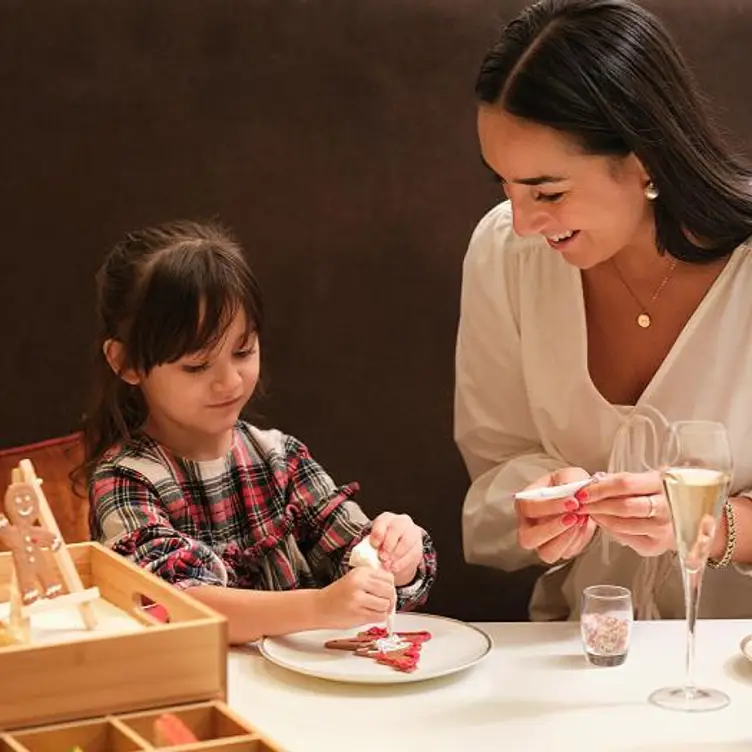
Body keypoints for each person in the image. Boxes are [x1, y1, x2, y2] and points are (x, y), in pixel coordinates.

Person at [454, 0, 752, 621]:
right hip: (580, 656)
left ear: (644, 161)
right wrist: (538, 503)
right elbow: (497, 468)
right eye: (503, 186)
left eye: (548, 191)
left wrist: (715, 526)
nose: (525, 222)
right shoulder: (507, 255)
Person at [83, 220, 437, 643]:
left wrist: (396, 557)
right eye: (197, 366)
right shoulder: (126, 479)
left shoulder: (278, 458)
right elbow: (177, 605)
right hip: (207, 696)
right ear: (125, 363)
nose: (229, 381)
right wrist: (319, 606)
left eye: (243, 351)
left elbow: (351, 549)